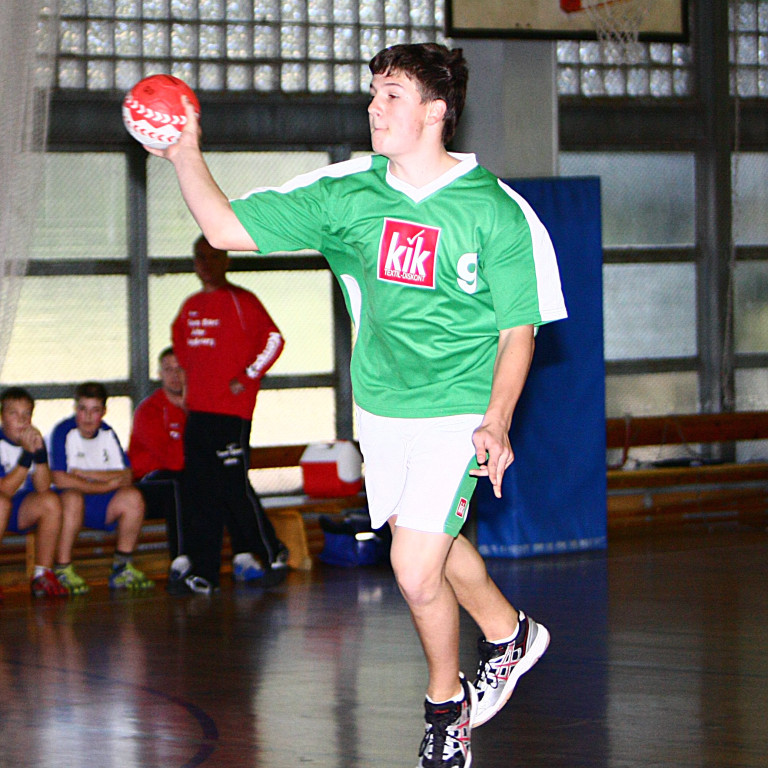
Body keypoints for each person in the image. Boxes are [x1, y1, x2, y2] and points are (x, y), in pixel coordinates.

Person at [150, 42, 567, 768]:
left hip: (460, 407)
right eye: (373, 93)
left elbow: (517, 332)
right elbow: (224, 230)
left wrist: (497, 420)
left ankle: (446, 710)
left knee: (413, 568)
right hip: (381, 407)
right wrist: (185, 153)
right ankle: (510, 633)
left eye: (392, 95)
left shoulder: (499, 213)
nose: (374, 108)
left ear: (436, 112)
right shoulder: (346, 193)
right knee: (432, 540)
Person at [170, 235, 288, 594]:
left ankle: (271, 552)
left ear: (226, 261)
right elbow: (181, 350)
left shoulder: (242, 301)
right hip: (199, 413)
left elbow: (274, 340)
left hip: (230, 413)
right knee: (200, 492)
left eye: (212, 257)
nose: (205, 264)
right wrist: (186, 389)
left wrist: (246, 376)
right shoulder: (190, 307)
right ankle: (204, 571)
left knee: (233, 487)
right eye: (199, 257)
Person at [49, 381, 154, 593]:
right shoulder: (63, 431)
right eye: (83, 409)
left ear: (103, 412)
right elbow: (60, 479)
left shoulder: (107, 433)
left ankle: (122, 567)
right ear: (75, 409)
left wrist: (86, 474)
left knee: (133, 498)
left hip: (100, 504)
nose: (88, 417)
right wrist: (105, 485)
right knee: (72, 498)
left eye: (95, 410)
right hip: (70, 506)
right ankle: (62, 569)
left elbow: (126, 475)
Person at [0, 387, 68, 598]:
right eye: (14, 413)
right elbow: (5, 489)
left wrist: (39, 455)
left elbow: (43, 487)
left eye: (26, 414)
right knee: (1, 503)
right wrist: (27, 456)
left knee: (50, 501)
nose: (21, 420)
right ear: (2, 417)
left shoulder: (34, 440)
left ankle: (42, 574)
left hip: (19, 509)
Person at [128, 347, 187, 577]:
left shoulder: (199, 408)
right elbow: (172, 461)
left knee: (224, 481)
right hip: (148, 485)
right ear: (160, 374)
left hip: (186, 480)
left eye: (180, 369)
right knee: (176, 483)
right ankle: (181, 560)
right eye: (168, 369)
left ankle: (245, 555)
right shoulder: (149, 411)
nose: (175, 375)